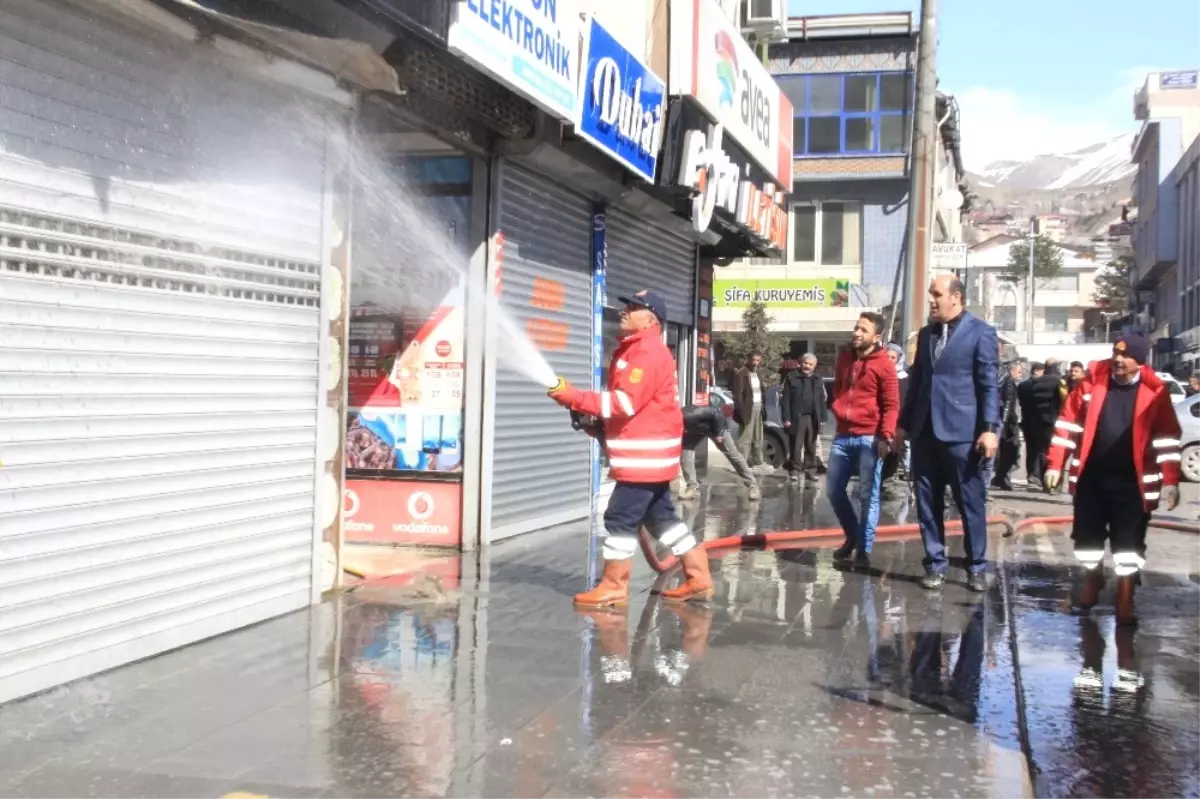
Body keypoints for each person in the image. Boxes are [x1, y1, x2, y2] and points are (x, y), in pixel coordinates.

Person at [549, 290, 712, 606]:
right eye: (626, 306)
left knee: (619, 517)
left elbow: (624, 402)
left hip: (644, 459)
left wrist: (572, 396)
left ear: (651, 319)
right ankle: (699, 578)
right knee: (662, 519)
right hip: (649, 456)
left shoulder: (646, 353)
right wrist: (597, 425)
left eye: (634, 307)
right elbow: (637, 408)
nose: (625, 311)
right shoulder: (636, 350)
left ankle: (613, 586)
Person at [1044, 333, 1181, 624]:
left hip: (1133, 484)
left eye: (1126, 355)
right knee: (1087, 541)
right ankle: (1093, 578)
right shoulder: (1092, 384)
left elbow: (1167, 438)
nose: (1118, 359)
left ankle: (1125, 594)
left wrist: (1170, 481)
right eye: (1115, 353)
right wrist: (1055, 464)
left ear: (1139, 361)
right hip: (1092, 480)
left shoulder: (1155, 393)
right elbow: (1067, 426)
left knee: (1128, 545)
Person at [896, 274, 999, 592]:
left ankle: (976, 566)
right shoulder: (926, 335)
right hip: (925, 433)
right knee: (927, 504)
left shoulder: (980, 333)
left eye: (936, 294)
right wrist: (902, 425)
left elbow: (988, 385)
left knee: (970, 503)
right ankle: (935, 563)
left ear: (956, 297)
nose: (931, 300)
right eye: (930, 294)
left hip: (962, 436)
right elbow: (916, 384)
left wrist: (989, 429)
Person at [827, 312, 899, 567]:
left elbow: (891, 405)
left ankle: (863, 549)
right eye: (856, 327)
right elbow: (838, 388)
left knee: (868, 495)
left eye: (863, 330)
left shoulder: (884, 364)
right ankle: (852, 535)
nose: (857, 333)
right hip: (843, 435)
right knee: (834, 490)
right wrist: (837, 406)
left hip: (870, 438)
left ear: (876, 337)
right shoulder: (845, 357)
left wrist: (886, 437)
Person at [678, 403, 761, 500]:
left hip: (716, 426)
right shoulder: (674, 422)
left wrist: (719, 433)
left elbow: (716, 413)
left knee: (732, 454)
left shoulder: (689, 415)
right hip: (696, 430)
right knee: (686, 451)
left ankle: (753, 485)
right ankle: (692, 487)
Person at [781, 353, 827, 483]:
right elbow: (785, 400)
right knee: (796, 444)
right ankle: (795, 470)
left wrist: (823, 417)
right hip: (797, 417)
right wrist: (786, 418)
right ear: (801, 363)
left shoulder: (817, 379)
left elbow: (821, 400)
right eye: (805, 363)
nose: (807, 366)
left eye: (810, 364)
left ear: (814, 366)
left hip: (812, 417)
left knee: (811, 445)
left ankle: (810, 471)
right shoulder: (791, 377)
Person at [1017, 360, 1064, 490]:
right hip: (1051, 421)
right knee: (1047, 450)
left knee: (1032, 450)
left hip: (1031, 422)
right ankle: (1047, 481)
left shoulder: (1030, 384)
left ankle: (1033, 476)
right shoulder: (1059, 382)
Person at [881, 343, 911, 487]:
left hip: (897, 418)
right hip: (880, 417)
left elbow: (905, 400)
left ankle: (888, 476)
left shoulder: (904, 378)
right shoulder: (879, 373)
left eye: (893, 357)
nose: (889, 360)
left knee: (894, 448)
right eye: (887, 357)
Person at [991, 361, 1023, 491]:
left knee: (1006, 453)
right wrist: (1007, 422)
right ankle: (1002, 478)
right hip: (1007, 423)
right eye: (1019, 372)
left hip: (1005, 422)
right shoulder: (1009, 384)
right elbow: (1008, 404)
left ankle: (1000, 478)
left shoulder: (1006, 382)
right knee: (1009, 453)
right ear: (1011, 371)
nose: (1021, 375)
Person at [732, 352, 765, 467]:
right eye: (753, 360)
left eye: (757, 360)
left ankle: (758, 461)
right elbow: (737, 394)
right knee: (745, 438)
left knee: (758, 437)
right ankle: (741, 464)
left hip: (758, 407)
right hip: (747, 409)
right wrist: (740, 411)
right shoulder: (742, 373)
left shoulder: (758, 373)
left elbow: (761, 391)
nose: (755, 363)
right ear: (748, 359)